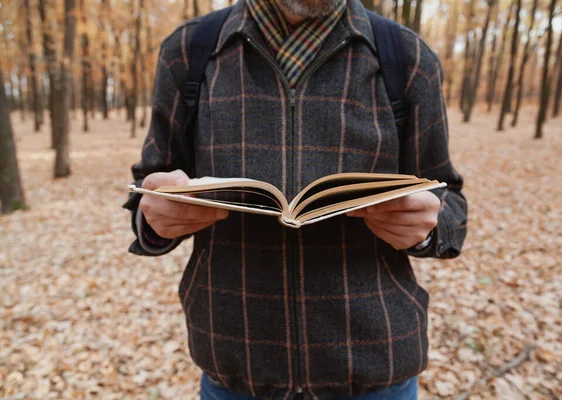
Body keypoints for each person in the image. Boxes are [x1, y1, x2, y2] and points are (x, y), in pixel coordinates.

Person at [124, 0, 468, 398]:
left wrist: (427, 226)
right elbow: (145, 193)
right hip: (236, 370)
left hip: (376, 372)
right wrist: (156, 217)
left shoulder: (405, 57)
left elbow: (449, 199)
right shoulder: (190, 50)